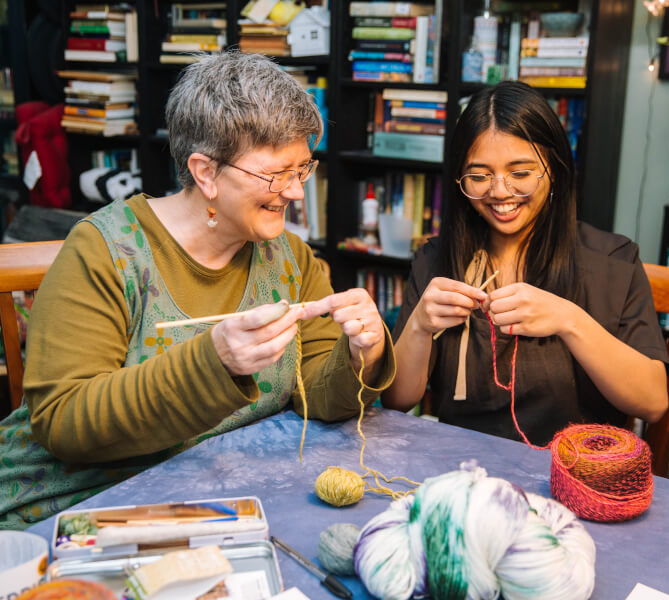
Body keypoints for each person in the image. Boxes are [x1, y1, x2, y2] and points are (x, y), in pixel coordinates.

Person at [0, 51, 395, 529]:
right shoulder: (103, 252)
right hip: (71, 510)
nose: (295, 192)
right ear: (206, 172)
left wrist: (359, 354)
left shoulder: (289, 257)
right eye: (276, 174)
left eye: (302, 169)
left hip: (207, 502)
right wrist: (215, 363)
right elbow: (64, 421)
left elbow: (317, 399)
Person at [382, 81, 668, 446]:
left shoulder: (612, 262)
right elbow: (397, 401)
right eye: (479, 176)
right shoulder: (436, 259)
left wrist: (569, 320)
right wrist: (420, 325)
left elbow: (653, 402)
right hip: (463, 471)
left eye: (520, 173)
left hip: (573, 479)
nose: (499, 191)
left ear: (555, 168)